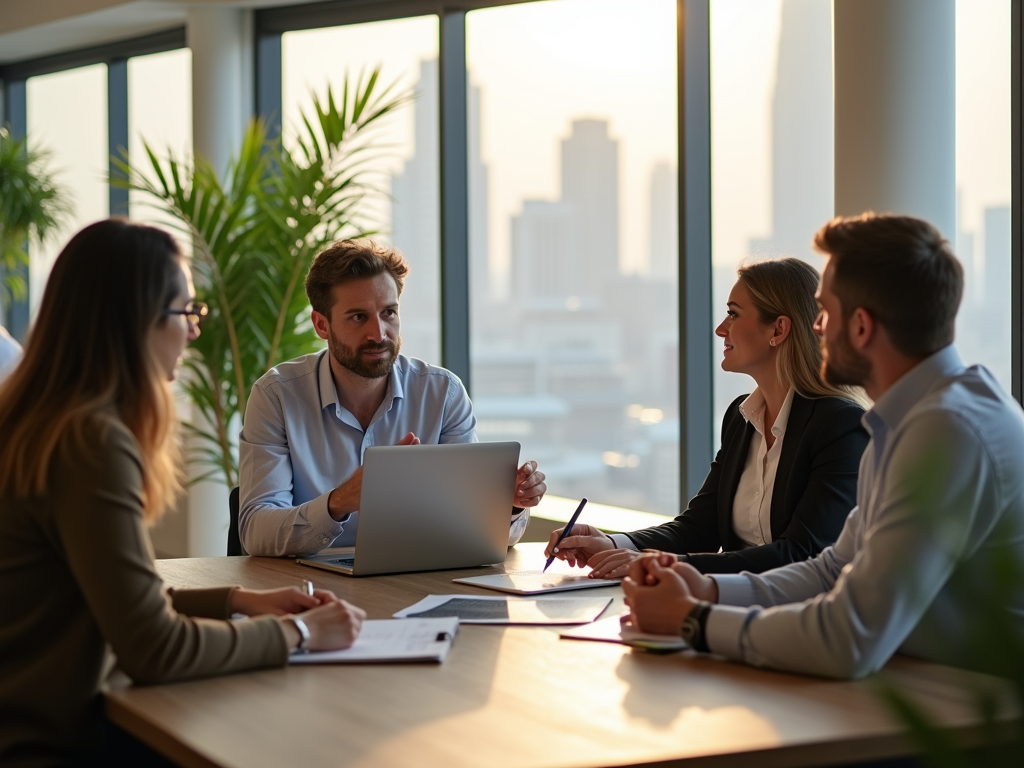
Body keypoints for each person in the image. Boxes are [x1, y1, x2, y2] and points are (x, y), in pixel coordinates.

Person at [0, 220, 366, 767]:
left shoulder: (38, 422)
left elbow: (107, 595)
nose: (194, 333)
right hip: (55, 744)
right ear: (134, 321)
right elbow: (154, 648)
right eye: (185, 313)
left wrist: (237, 600)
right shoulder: (91, 442)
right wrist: (299, 631)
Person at [623, 212, 1024, 680]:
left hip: (974, 725)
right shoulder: (907, 420)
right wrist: (707, 590)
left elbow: (849, 638)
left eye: (824, 313)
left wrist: (693, 621)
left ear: (860, 327)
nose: (815, 328)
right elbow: (832, 569)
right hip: (921, 690)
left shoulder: (948, 431)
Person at [545, 257, 868, 578]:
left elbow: (802, 553)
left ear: (778, 329)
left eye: (733, 314)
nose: (720, 329)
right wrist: (614, 544)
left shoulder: (840, 426)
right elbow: (700, 527)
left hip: (795, 619)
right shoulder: (741, 418)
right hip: (727, 605)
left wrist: (669, 566)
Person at [238, 239, 547, 557]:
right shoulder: (276, 396)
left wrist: (506, 505)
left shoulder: (443, 394)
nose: (379, 333)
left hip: (410, 585)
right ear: (321, 325)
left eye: (389, 313)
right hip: (308, 592)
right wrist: (340, 501)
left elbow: (479, 529)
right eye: (358, 317)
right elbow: (256, 532)